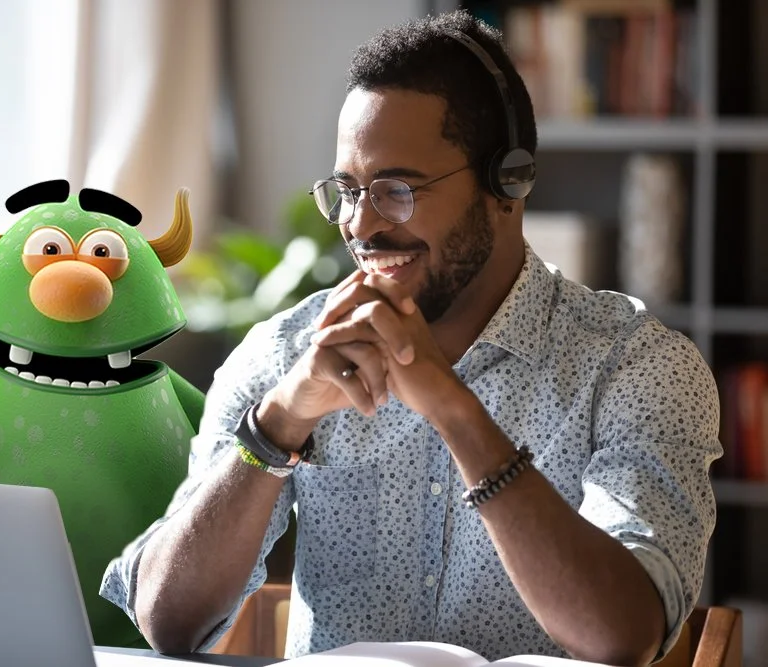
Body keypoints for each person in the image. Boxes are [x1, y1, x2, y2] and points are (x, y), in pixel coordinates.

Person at [100, 9, 722, 666]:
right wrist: (277, 426)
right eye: (346, 189)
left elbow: (623, 633)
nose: (360, 225)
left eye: (397, 189)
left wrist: (453, 409)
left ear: (507, 183)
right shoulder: (286, 353)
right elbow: (167, 622)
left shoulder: (639, 366)